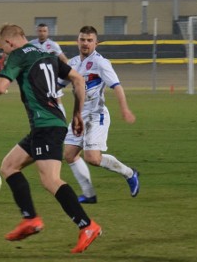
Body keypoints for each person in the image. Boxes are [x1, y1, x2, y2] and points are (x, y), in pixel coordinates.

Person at [0, 23, 102, 254]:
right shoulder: (47, 55)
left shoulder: (18, 56)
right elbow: (78, 80)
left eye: (2, 48)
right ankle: (30, 218)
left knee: (51, 180)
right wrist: (77, 114)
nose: (3, 53)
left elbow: (0, 87)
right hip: (50, 124)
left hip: (46, 126)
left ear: (10, 42)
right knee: (9, 166)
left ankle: (87, 225)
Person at [60, 26, 140, 203]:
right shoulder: (72, 64)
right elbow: (57, 85)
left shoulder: (101, 63)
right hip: (78, 116)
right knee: (69, 155)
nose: (85, 43)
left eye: (89, 40)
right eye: (82, 39)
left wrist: (124, 109)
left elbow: (117, 86)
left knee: (92, 158)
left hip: (97, 116)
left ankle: (130, 173)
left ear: (96, 43)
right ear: (77, 41)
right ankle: (89, 194)